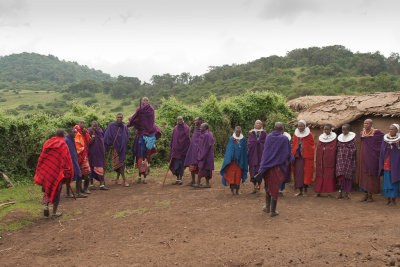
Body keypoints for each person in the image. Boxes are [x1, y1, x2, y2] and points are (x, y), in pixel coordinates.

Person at [255, 122, 293, 217]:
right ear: (282, 129)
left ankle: (267, 207)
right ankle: (273, 211)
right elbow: (287, 153)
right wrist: (291, 159)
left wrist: (262, 166)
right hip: (278, 168)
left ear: (274, 128)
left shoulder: (269, 137)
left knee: (268, 185)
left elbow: (266, 152)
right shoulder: (284, 139)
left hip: (267, 167)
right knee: (275, 187)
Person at [34, 129, 73, 218]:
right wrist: (68, 172)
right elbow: (67, 160)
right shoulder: (63, 145)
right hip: (57, 172)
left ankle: (46, 206)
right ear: (63, 135)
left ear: (56, 134)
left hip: (47, 171)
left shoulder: (48, 142)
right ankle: (54, 212)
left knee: (47, 189)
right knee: (56, 191)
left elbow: (43, 157)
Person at [128, 97, 162, 184]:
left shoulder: (150, 110)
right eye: (144, 100)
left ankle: (145, 177)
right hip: (141, 134)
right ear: (142, 101)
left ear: (148, 101)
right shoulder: (139, 110)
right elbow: (135, 118)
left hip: (149, 134)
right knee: (139, 156)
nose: (145, 102)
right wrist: (132, 123)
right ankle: (139, 176)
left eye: (146, 100)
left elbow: (150, 121)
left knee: (147, 157)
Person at [357, 119, 384, 202]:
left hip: (372, 157)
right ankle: (365, 194)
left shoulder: (376, 132)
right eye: (364, 123)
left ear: (371, 124)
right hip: (363, 156)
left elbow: (384, 139)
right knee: (364, 175)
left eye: (367, 123)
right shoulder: (362, 133)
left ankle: (370, 195)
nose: (365, 125)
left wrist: (377, 151)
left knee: (371, 174)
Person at [221, 126, 248, 195]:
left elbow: (244, 150)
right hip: (232, 162)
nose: (237, 133)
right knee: (232, 175)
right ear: (235, 131)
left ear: (240, 132)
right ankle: (232, 190)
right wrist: (230, 157)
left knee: (238, 176)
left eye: (239, 132)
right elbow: (229, 149)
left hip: (240, 162)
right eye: (236, 131)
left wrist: (241, 157)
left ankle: (237, 190)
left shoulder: (243, 139)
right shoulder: (231, 139)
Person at [104, 113, 130, 187]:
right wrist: (109, 144)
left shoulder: (124, 127)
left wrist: (123, 143)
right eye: (118, 117)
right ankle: (125, 180)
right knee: (120, 164)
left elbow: (127, 136)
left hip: (122, 148)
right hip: (115, 148)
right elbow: (106, 135)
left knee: (120, 163)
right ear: (116, 117)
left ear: (122, 118)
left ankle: (117, 179)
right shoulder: (111, 125)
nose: (119, 119)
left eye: (121, 117)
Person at [378, 124, 400, 205]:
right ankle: (388, 199)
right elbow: (382, 151)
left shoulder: (398, 140)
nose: (390, 131)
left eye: (392, 129)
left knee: (394, 181)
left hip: (396, 164)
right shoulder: (385, 139)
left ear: (397, 130)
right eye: (389, 129)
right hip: (387, 163)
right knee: (387, 182)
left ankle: (394, 199)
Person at [292, 120, 315, 196]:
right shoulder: (296, 135)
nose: (300, 127)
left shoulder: (309, 135)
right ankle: (300, 191)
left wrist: (305, 149)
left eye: (301, 126)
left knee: (306, 174)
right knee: (299, 174)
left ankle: (305, 191)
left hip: (306, 158)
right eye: (298, 126)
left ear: (305, 126)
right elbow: (294, 145)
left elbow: (311, 146)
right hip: (298, 158)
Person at [314, 124, 337, 197]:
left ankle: (329, 192)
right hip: (321, 160)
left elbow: (333, 148)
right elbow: (319, 147)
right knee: (320, 174)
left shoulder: (334, 138)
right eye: (325, 129)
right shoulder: (321, 137)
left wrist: (326, 149)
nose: (326, 130)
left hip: (329, 160)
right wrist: (323, 149)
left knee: (329, 174)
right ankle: (318, 191)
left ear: (331, 130)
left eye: (327, 129)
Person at [336, 124, 356, 199]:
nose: (343, 131)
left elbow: (353, 149)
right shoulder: (340, 138)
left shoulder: (352, 139)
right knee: (341, 176)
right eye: (342, 130)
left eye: (345, 130)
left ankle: (346, 193)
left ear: (349, 130)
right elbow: (338, 148)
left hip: (348, 160)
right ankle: (340, 191)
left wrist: (346, 149)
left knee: (347, 176)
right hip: (341, 159)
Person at [65, 128, 86, 198]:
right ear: (69, 132)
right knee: (70, 177)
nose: (75, 134)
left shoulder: (72, 139)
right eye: (73, 132)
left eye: (75, 132)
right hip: (69, 162)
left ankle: (78, 192)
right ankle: (70, 193)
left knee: (79, 176)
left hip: (74, 161)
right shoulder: (67, 140)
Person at [169, 116, 191, 185]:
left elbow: (187, 139)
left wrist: (188, 148)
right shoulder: (175, 128)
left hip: (183, 150)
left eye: (180, 119)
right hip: (175, 150)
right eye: (178, 120)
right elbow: (173, 138)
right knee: (176, 165)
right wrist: (172, 146)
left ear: (182, 120)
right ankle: (177, 179)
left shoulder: (186, 128)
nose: (179, 121)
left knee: (181, 165)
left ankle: (180, 179)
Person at [247, 120, 267, 194]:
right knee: (252, 170)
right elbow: (249, 142)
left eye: (259, 123)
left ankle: (259, 185)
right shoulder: (251, 133)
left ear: (261, 125)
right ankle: (254, 186)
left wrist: (259, 143)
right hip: (253, 154)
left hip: (261, 154)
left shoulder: (264, 133)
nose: (258, 124)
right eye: (256, 123)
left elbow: (265, 142)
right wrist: (255, 143)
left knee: (259, 170)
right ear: (254, 125)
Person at [88, 121, 109, 190]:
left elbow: (102, 140)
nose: (95, 127)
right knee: (91, 168)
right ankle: (91, 184)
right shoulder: (89, 131)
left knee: (100, 167)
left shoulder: (100, 130)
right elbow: (89, 142)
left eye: (96, 126)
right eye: (93, 126)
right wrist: (93, 134)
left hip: (100, 153)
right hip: (92, 153)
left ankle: (101, 185)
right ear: (91, 126)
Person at [194, 123, 215, 188]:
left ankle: (198, 183)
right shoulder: (208, 133)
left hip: (205, 154)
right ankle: (207, 183)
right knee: (206, 169)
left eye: (201, 127)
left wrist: (201, 155)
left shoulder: (206, 135)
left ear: (205, 128)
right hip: (207, 154)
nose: (200, 128)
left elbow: (206, 146)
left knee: (202, 168)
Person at [184, 117, 203, 186]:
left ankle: (198, 182)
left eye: (196, 120)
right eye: (194, 120)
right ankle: (193, 181)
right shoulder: (196, 128)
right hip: (192, 150)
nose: (194, 121)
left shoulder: (202, 129)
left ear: (200, 121)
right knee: (192, 165)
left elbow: (202, 140)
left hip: (198, 151)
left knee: (199, 166)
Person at [74, 120, 91, 194]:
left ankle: (86, 188)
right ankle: (79, 189)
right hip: (77, 155)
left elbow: (89, 141)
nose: (82, 124)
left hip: (84, 154)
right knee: (79, 173)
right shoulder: (75, 131)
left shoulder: (85, 131)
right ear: (78, 123)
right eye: (81, 123)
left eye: (84, 123)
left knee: (87, 172)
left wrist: (85, 134)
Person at [279, 131, 292, 196]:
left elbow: (289, 150)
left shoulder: (287, 140)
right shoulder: (276, 138)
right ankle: (277, 189)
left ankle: (281, 189)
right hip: (277, 159)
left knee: (283, 175)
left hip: (285, 160)